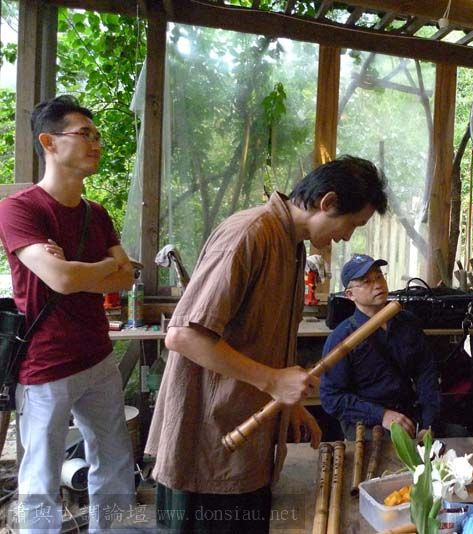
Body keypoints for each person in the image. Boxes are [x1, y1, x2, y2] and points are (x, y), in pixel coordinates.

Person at [145, 156, 388, 532]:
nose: (346, 237)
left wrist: (289, 405)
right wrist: (273, 381)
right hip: (208, 445)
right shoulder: (250, 233)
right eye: (352, 224)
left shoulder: (292, 245)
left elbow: (259, 340)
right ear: (327, 202)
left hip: (247, 443)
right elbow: (184, 336)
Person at [0, 95, 135, 532]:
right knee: (41, 478)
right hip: (45, 366)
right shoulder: (20, 208)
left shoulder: (97, 213)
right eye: (84, 134)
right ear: (49, 142)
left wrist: (82, 272)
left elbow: (126, 278)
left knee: (115, 463)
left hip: (98, 357)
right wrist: (101, 267)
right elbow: (59, 278)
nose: (96, 143)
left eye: (97, 135)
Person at [320, 254, 440, 440]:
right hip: (368, 422)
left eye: (379, 276)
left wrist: (428, 423)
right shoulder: (342, 338)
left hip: (409, 416)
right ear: (350, 294)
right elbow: (331, 398)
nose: (377, 285)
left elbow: (427, 374)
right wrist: (381, 415)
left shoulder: (408, 323)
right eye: (366, 282)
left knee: (457, 438)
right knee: (392, 449)